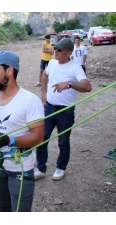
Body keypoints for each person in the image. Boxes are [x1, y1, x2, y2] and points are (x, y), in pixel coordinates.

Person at [0, 50, 45, 212]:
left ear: (9, 71)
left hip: (19, 170)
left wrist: (10, 140)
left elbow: (38, 136)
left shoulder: (30, 101)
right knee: (3, 209)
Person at [35, 38, 92, 181]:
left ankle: (61, 168)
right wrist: (43, 93)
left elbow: (87, 87)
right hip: (48, 108)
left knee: (63, 142)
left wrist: (69, 84)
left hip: (65, 111)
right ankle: (41, 169)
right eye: (55, 49)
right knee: (41, 139)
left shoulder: (75, 67)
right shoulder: (52, 63)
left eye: (59, 50)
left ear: (68, 52)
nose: (55, 51)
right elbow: (45, 76)